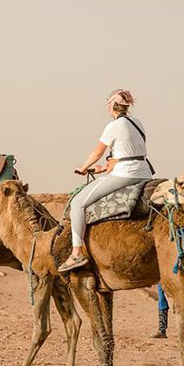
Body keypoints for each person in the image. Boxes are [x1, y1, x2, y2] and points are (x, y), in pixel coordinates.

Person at [59, 89, 154, 272]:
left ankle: (76, 253)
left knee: (78, 202)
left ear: (111, 106)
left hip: (126, 174)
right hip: (144, 172)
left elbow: (97, 152)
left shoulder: (114, 126)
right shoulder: (138, 123)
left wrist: (84, 167)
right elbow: (129, 152)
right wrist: (104, 168)